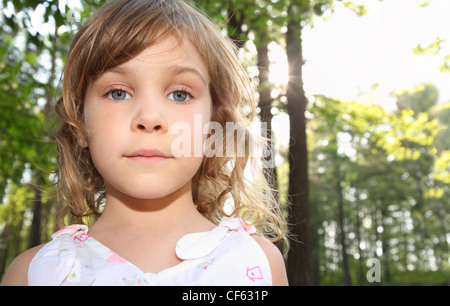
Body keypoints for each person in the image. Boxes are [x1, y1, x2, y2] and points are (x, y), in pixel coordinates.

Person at [1, 0, 288, 286]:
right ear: (80, 124)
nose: (149, 117)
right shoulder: (33, 274)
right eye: (118, 93)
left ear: (213, 128)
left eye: (179, 95)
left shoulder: (257, 265)